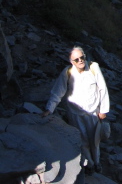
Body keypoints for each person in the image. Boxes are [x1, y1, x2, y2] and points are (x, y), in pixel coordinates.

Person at [43, 46, 110, 174]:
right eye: (76, 59)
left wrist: (103, 110)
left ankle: (97, 162)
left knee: (95, 140)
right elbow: (58, 92)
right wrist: (49, 109)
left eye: (82, 57)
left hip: (93, 113)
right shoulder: (67, 72)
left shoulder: (93, 68)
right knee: (82, 140)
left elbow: (102, 88)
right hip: (75, 114)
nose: (80, 60)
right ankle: (89, 164)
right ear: (71, 61)